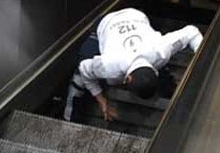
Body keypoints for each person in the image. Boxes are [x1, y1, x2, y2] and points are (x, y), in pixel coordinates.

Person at [64, 8, 203, 121]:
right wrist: (101, 99)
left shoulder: (161, 50)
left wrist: (200, 67)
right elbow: (84, 69)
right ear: (127, 78)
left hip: (137, 17)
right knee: (78, 79)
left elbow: (192, 32)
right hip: (105, 24)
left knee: (160, 71)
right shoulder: (108, 65)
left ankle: (170, 89)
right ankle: (69, 116)